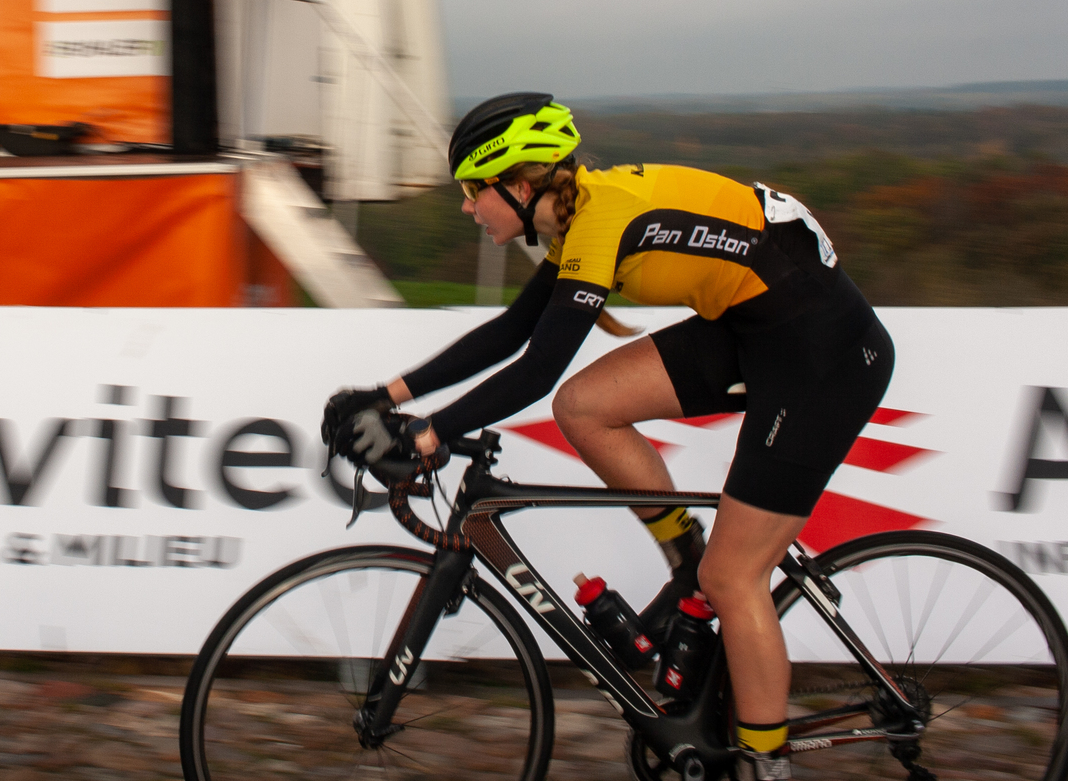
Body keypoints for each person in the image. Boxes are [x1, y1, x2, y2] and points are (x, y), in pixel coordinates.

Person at [323, 93, 893, 780]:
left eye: (475, 192)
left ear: (519, 185)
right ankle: (686, 556)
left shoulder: (597, 225)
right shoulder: (575, 216)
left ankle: (765, 766)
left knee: (734, 578)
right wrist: (386, 396)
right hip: (757, 326)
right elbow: (511, 332)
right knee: (586, 407)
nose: (468, 208)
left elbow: (534, 367)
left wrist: (427, 435)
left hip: (821, 350)